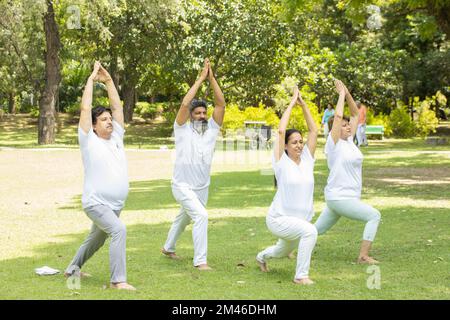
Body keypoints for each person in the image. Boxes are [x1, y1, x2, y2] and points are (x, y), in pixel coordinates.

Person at [64, 61, 136, 290]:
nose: (109, 122)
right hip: (96, 203)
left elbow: (117, 108)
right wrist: (90, 81)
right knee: (118, 230)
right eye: (103, 120)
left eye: (109, 120)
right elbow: (85, 109)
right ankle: (118, 281)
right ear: (93, 126)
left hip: (115, 203)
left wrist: (108, 81)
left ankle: (72, 269)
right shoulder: (88, 140)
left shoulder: (117, 137)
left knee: (97, 238)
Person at [161, 58, 225, 270]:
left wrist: (212, 78)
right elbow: (184, 104)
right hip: (182, 186)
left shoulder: (212, 130)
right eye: (197, 113)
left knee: (185, 217)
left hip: (202, 187)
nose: (201, 116)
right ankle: (200, 262)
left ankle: (168, 247)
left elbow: (220, 104)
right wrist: (200, 79)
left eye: (203, 113)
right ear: (190, 116)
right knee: (201, 216)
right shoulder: (182, 129)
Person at [256, 86, 319, 285]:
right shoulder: (281, 162)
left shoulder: (307, 159)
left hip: (299, 220)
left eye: (301, 142)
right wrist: (292, 103)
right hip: (279, 219)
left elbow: (314, 130)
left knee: (281, 251)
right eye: (294, 142)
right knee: (310, 231)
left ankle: (261, 257)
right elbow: (281, 130)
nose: (299, 145)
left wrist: (304, 105)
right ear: (285, 146)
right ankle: (301, 276)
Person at [314, 80, 381, 264]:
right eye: (344, 125)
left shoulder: (349, 141)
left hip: (342, 197)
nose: (348, 126)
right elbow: (337, 117)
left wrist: (347, 92)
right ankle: (363, 256)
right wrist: (340, 95)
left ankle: (288, 248)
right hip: (340, 197)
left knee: (315, 230)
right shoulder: (333, 144)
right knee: (374, 215)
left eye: (347, 125)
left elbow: (355, 113)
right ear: (335, 130)